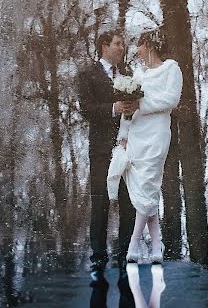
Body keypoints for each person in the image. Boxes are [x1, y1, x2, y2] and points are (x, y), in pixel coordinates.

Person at [78, 30, 138, 284]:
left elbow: (137, 107)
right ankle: (98, 259)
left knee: (128, 202)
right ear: (104, 46)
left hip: (128, 148)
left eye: (123, 44)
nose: (122, 47)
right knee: (100, 203)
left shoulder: (129, 74)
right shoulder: (87, 74)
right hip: (102, 149)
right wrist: (113, 108)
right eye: (117, 43)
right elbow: (86, 109)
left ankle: (125, 255)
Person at [123, 27, 183, 264]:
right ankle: (157, 246)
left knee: (148, 183)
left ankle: (134, 243)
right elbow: (128, 108)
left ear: (149, 45)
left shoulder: (172, 69)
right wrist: (123, 133)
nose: (136, 50)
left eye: (139, 44)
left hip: (157, 132)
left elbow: (171, 99)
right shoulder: (138, 74)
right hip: (137, 133)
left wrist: (142, 104)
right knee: (146, 188)